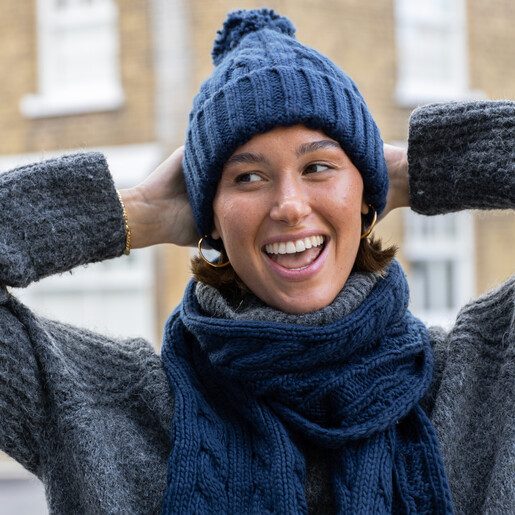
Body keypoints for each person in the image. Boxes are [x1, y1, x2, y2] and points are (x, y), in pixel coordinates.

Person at [0, 8, 513, 514]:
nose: (289, 205)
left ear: (366, 193)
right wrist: (137, 213)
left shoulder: (482, 373)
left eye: (318, 166)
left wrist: (420, 170)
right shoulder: (107, 405)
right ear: (212, 220)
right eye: (247, 177)